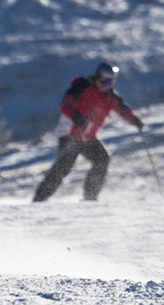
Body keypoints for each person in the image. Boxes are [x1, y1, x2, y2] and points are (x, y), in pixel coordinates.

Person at [33, 63, 144, 202]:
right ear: (97, 77)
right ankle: (40, 199)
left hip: (88, 138)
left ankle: (90, 198)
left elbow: (123, 110)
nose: (106, 85)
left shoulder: (110, 97)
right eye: (103, 81)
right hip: (70, 136)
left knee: (102, 159)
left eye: (110, 82)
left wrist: (135, 121)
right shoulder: (81, 87)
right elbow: (65, 105)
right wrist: (75, 116)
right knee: (63, 168)